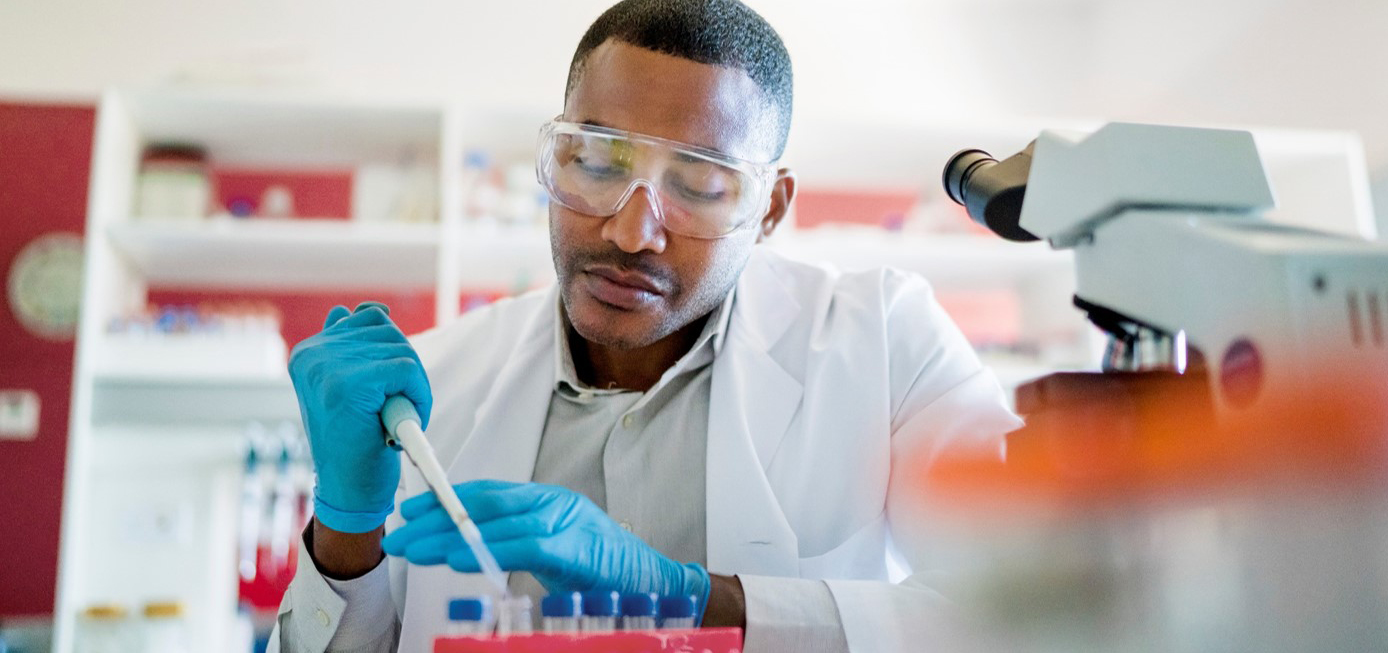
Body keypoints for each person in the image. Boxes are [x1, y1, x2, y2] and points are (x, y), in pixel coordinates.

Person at [269, 0, 1021, 651]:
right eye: (595, 164)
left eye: (697, 184)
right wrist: (343, 532)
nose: (632, 232)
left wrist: (686, 597)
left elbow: (1025, 615)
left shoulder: (883, 341)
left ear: (768, 209)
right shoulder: (434, 385)